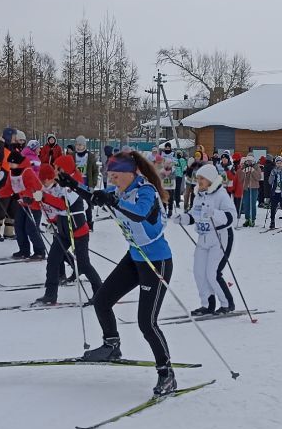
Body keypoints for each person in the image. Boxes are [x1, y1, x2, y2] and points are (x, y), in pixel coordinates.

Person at [62, 151, 178, 397]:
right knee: (102, 300)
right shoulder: (121, 191)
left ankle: (166, 373)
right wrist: (73, 185)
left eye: (115, 176)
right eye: (110, 176)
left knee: (147, 323)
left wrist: (113, 201)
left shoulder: (145, 191)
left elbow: (140, 213)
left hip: (156, 262)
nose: (112, 181)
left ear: (130, 173)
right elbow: (97, 197)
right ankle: (112, 345)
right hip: (135, 258)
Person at [32, 156, 101, 306]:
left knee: (84, 264)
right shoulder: (61, 181)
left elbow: (64, 205)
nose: (54, 171)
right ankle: (50, 295)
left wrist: (44, 197)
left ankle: (100, 293)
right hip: (63, 228)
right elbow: (50, 195)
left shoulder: (74, 183)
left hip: (77, 229)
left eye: (57, 168)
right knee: (53, 260)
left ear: (65, 169)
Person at [177, 162, 237, 315]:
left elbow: (232, 218)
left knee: (212, 273)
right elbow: (193, 216)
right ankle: (207, 304)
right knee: (199, 273)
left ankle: (226, 304)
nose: (199, 182)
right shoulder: (199, 196)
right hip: (203, 239)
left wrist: (214, 213)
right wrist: (182, 218)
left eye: (202, 179)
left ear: (210, 179)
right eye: (198, 179)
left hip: (220, 238)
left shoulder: (221, 195)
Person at [237, 154, 262, 227]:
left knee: (252, 204)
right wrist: (243, 171)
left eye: (251, 160)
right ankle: (247, 219)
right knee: (246, 204)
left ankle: (252, 219)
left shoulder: (257, 167)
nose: (249, 162)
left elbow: (258, 177)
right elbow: (240, 178)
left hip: (254, 188)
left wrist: (253, 171)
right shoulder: (244, 167)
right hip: (246, 188)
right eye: (248, 160)